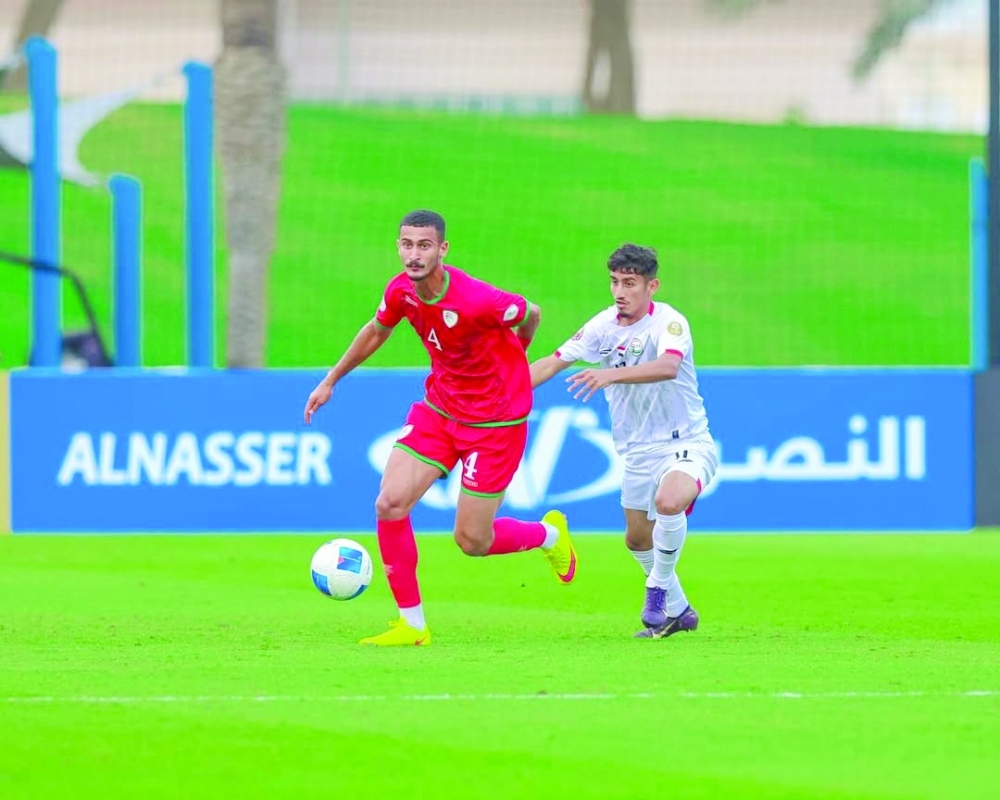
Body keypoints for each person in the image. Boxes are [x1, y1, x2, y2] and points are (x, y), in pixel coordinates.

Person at [304, 209, 578, 646]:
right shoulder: (401, 292)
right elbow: (377, 331)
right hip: (440, 409)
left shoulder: (477, 300)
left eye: (424, 245)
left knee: (471, 540)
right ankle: (412, 626)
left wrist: (517, 353)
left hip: (495, 423)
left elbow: (532, 313)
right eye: (407, 244)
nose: (414, 255)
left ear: (442, 249)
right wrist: (331, 380)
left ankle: (547, 535)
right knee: (389, 503)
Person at [529, 243, 716, 639]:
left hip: (686, 441)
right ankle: (679, 612)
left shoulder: (670, 322)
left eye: (630, 283)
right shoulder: (602, 326)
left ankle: (657, 590)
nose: (620, 291)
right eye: (615, 281)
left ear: (652, 286)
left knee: (669, 502)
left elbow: (668, 366)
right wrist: (496, 393)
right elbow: (551, 361)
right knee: (636, 538)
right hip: (636, 451)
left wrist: (608, 375)